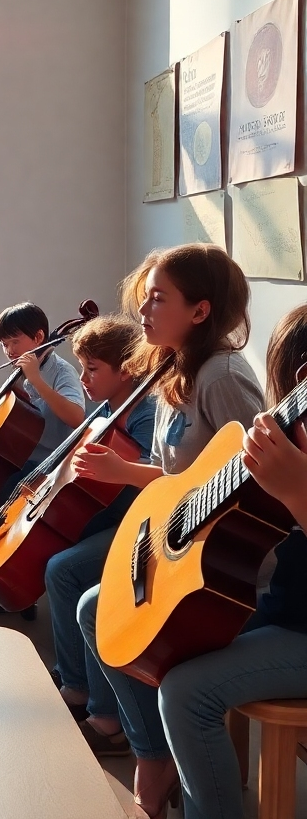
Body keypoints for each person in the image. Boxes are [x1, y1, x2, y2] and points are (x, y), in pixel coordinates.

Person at [73, 244, 263, 819]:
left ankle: (159, 763)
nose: (144, 311)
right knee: (93, 610)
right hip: (179, 544)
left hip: (226, 568)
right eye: (145, 298)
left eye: (158, 299)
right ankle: (152, 754)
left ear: (200, 311)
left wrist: (125, 474)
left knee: (93, 605)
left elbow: (246, 479)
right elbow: (185, 479)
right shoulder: (172, 371)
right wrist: (122, 472)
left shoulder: (223, 375)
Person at [152, 303, 307, 819]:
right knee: (168, 642)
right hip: (289, 614)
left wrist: (298, 493)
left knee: (186, 693)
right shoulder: (296, 441)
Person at [45, 315, 156, 733]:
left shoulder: (146, 411)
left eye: (92, 369)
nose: (84, 379)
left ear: (125, 369)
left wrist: (118, 467)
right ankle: (75, 681)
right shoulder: (112, 406)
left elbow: (143, 475)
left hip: (140, 522)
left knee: (65, 567)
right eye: (82, 367)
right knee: (61, 559)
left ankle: (101, 707)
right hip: (113, 514)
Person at [0, 301, 86, 613]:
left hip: (48, 465)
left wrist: (37, 379)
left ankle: (7, 587)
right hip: (24, 458)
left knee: (3, 501)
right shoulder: (26, 369)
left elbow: (76, 416)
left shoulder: (60, 370)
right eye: (4, 344)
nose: (8, 350)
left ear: (39, 336)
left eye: (14, 341)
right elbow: (24, 406)